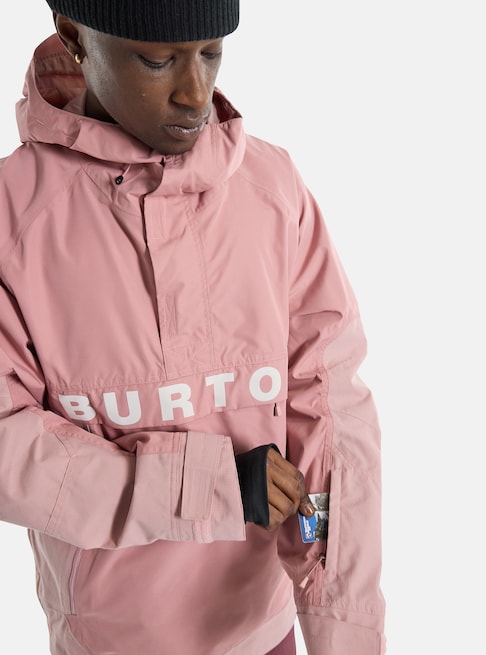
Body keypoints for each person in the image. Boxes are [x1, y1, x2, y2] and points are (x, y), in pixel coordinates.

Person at [0, 1, 386, 653]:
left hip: (265, 635)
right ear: (73, 37)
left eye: (211, 52)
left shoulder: (271, 190)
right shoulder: (14, 219)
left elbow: (331, 416)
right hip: (113, 641)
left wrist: (343, 632)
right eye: (158, 60)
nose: (195, 92)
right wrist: (204, 487)